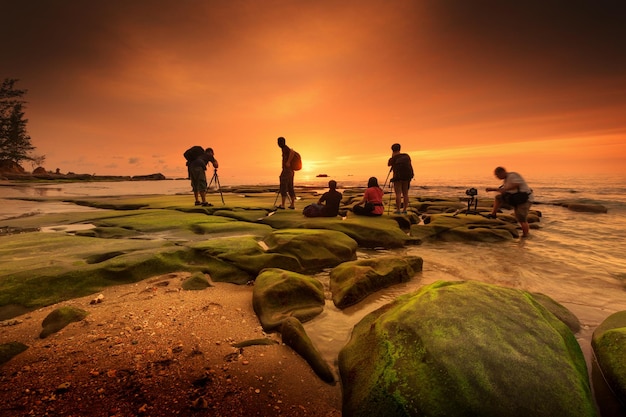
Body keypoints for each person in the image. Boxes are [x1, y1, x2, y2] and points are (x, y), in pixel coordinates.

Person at [485, 166, 533, 237]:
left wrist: (505, 189)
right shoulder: (506, 179)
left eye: (497, 175)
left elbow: (516, 184)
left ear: (502, 172)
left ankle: (525, 235)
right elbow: (504, 190)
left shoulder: (512, 175)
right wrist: (493, 189)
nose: (497, 177)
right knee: (498, 198)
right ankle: (493, 214)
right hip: (516, 198)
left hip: (525, 200)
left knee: (521, 218)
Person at [387, 143, 414, 214]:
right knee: (405, 193)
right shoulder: (406, 156)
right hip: (407, 177)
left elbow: (388, 164)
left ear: (392, 150)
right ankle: (405, 209)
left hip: (397, 177)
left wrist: (392, 157)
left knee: (398, 194)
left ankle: (398, 210)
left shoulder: (393, 158)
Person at [277, 136, 296, 209]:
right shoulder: (284, 148)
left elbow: (292, 151)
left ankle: (283, 205)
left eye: (279, 142)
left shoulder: (285, 148)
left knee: (283, 186)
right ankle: (292, 204)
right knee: (290, 187)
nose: (278, 144)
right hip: (290, 171)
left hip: (287, 170)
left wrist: (288, 162)